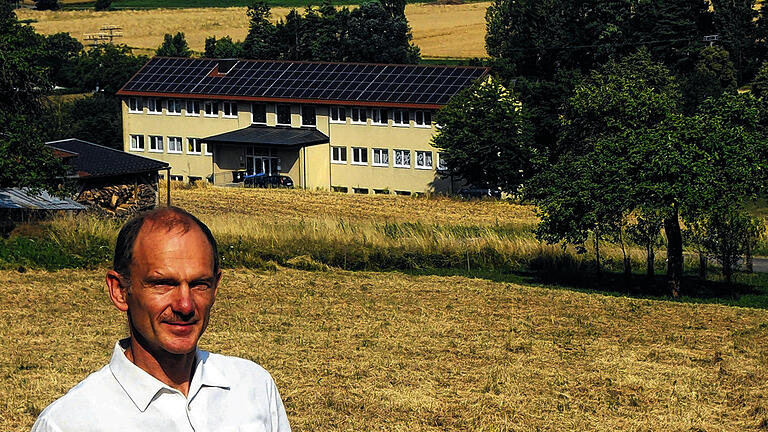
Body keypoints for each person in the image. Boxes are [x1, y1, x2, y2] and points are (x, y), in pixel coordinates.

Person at [31, 207, 291, 431]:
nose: (185, 305)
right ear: (120, 291)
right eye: (163, 284)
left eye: (200, 284)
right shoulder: (69, 423)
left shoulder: (253, 386)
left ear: (216, 287)